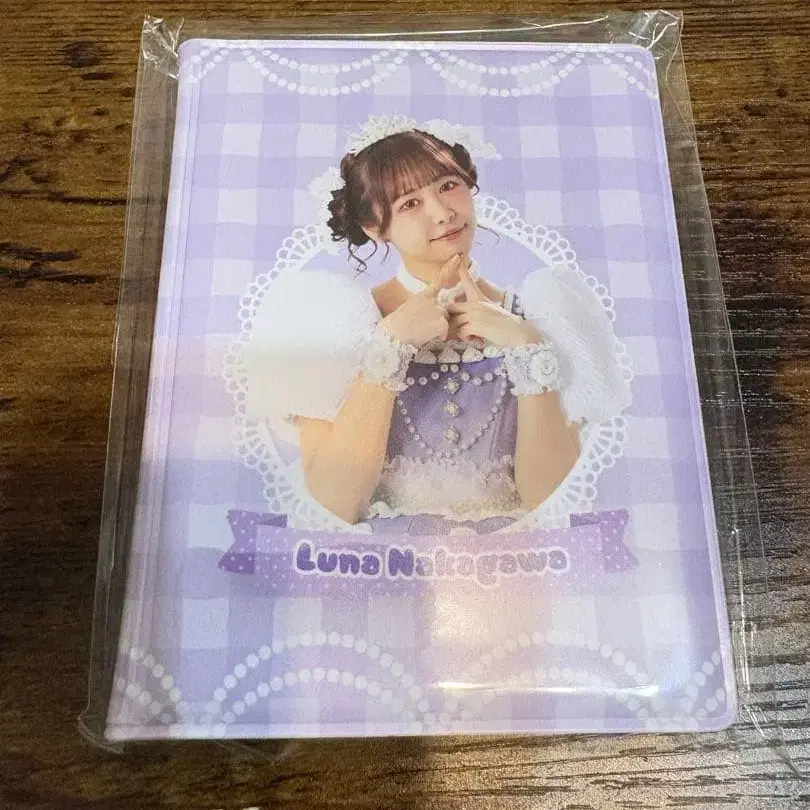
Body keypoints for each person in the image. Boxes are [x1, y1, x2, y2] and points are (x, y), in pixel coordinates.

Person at [244, 120, 631, 535]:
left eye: (448, 185)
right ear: (375, 227)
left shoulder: (540, 314)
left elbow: (552, 502)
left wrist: (527, 346)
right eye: (410, 203)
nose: (443, 212)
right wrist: (389, 345)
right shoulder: (340, 322)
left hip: (512, 560)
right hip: (380, 563)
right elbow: (334, 504)